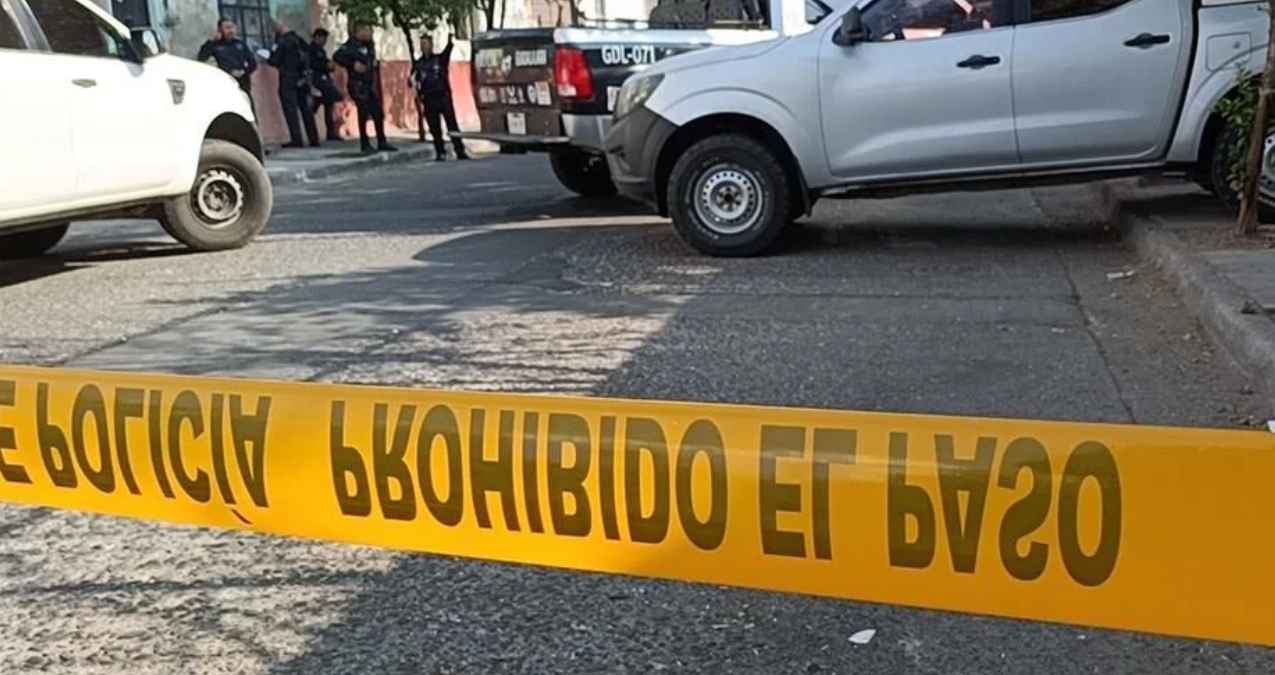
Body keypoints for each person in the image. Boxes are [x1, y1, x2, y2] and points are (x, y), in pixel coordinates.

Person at [334, 24, 397, 154]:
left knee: (377, 112)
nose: (370, 33)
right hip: (357, 84)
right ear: (360, 31)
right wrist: (352, 64)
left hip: (368, 84)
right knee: (363, 111)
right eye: (368, 30)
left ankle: (382, 141)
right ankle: (364, 143)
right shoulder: (351, 45)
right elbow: (337, 56)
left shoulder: (369, 45)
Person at [412, 33, 468, 161]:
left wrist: (450, 42)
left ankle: (460, 151)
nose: (424, 47)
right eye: (422, 45)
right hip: (428, 99)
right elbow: (412, 79)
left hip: (443, 97)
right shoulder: (419, 64)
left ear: (431, 45)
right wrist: (414, 85)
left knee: (452, 125)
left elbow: (447, 51)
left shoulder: (439, 60)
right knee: (435, 128)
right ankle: (440, 152)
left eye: (426, 44)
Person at [267, 21, 320, 149]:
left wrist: (270, 55)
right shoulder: (300, 40)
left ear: (279, 28)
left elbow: (274, 60)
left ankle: (297, 139)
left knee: (291, 110)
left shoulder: (282, 42)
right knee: (306, 109)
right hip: (302, 78)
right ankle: (314, 139)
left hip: (288, 78)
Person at [196, 19, 257, 106]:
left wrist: (243, 71)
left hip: (243, 83)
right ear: (220, 30)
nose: (230, 30)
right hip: (226, 82)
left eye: (232, 27)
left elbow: (253, 63)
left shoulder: (240, 44)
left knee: (247, 107)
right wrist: (210, 41)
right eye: (227, 28)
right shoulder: (215, 45)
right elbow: (201, 58)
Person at [308, 28, 343, 142]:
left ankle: (331, 132)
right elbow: (314, 65)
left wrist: (329, 66)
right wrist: (326, 66)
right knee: (313, 107)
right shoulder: (311, 50)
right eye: (323, 38)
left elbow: (325, 63)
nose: (324, 41)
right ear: (317, 37)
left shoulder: (321, 50)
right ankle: (314, 134)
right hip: (317, 81)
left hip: (324, 80)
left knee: (329, 105)